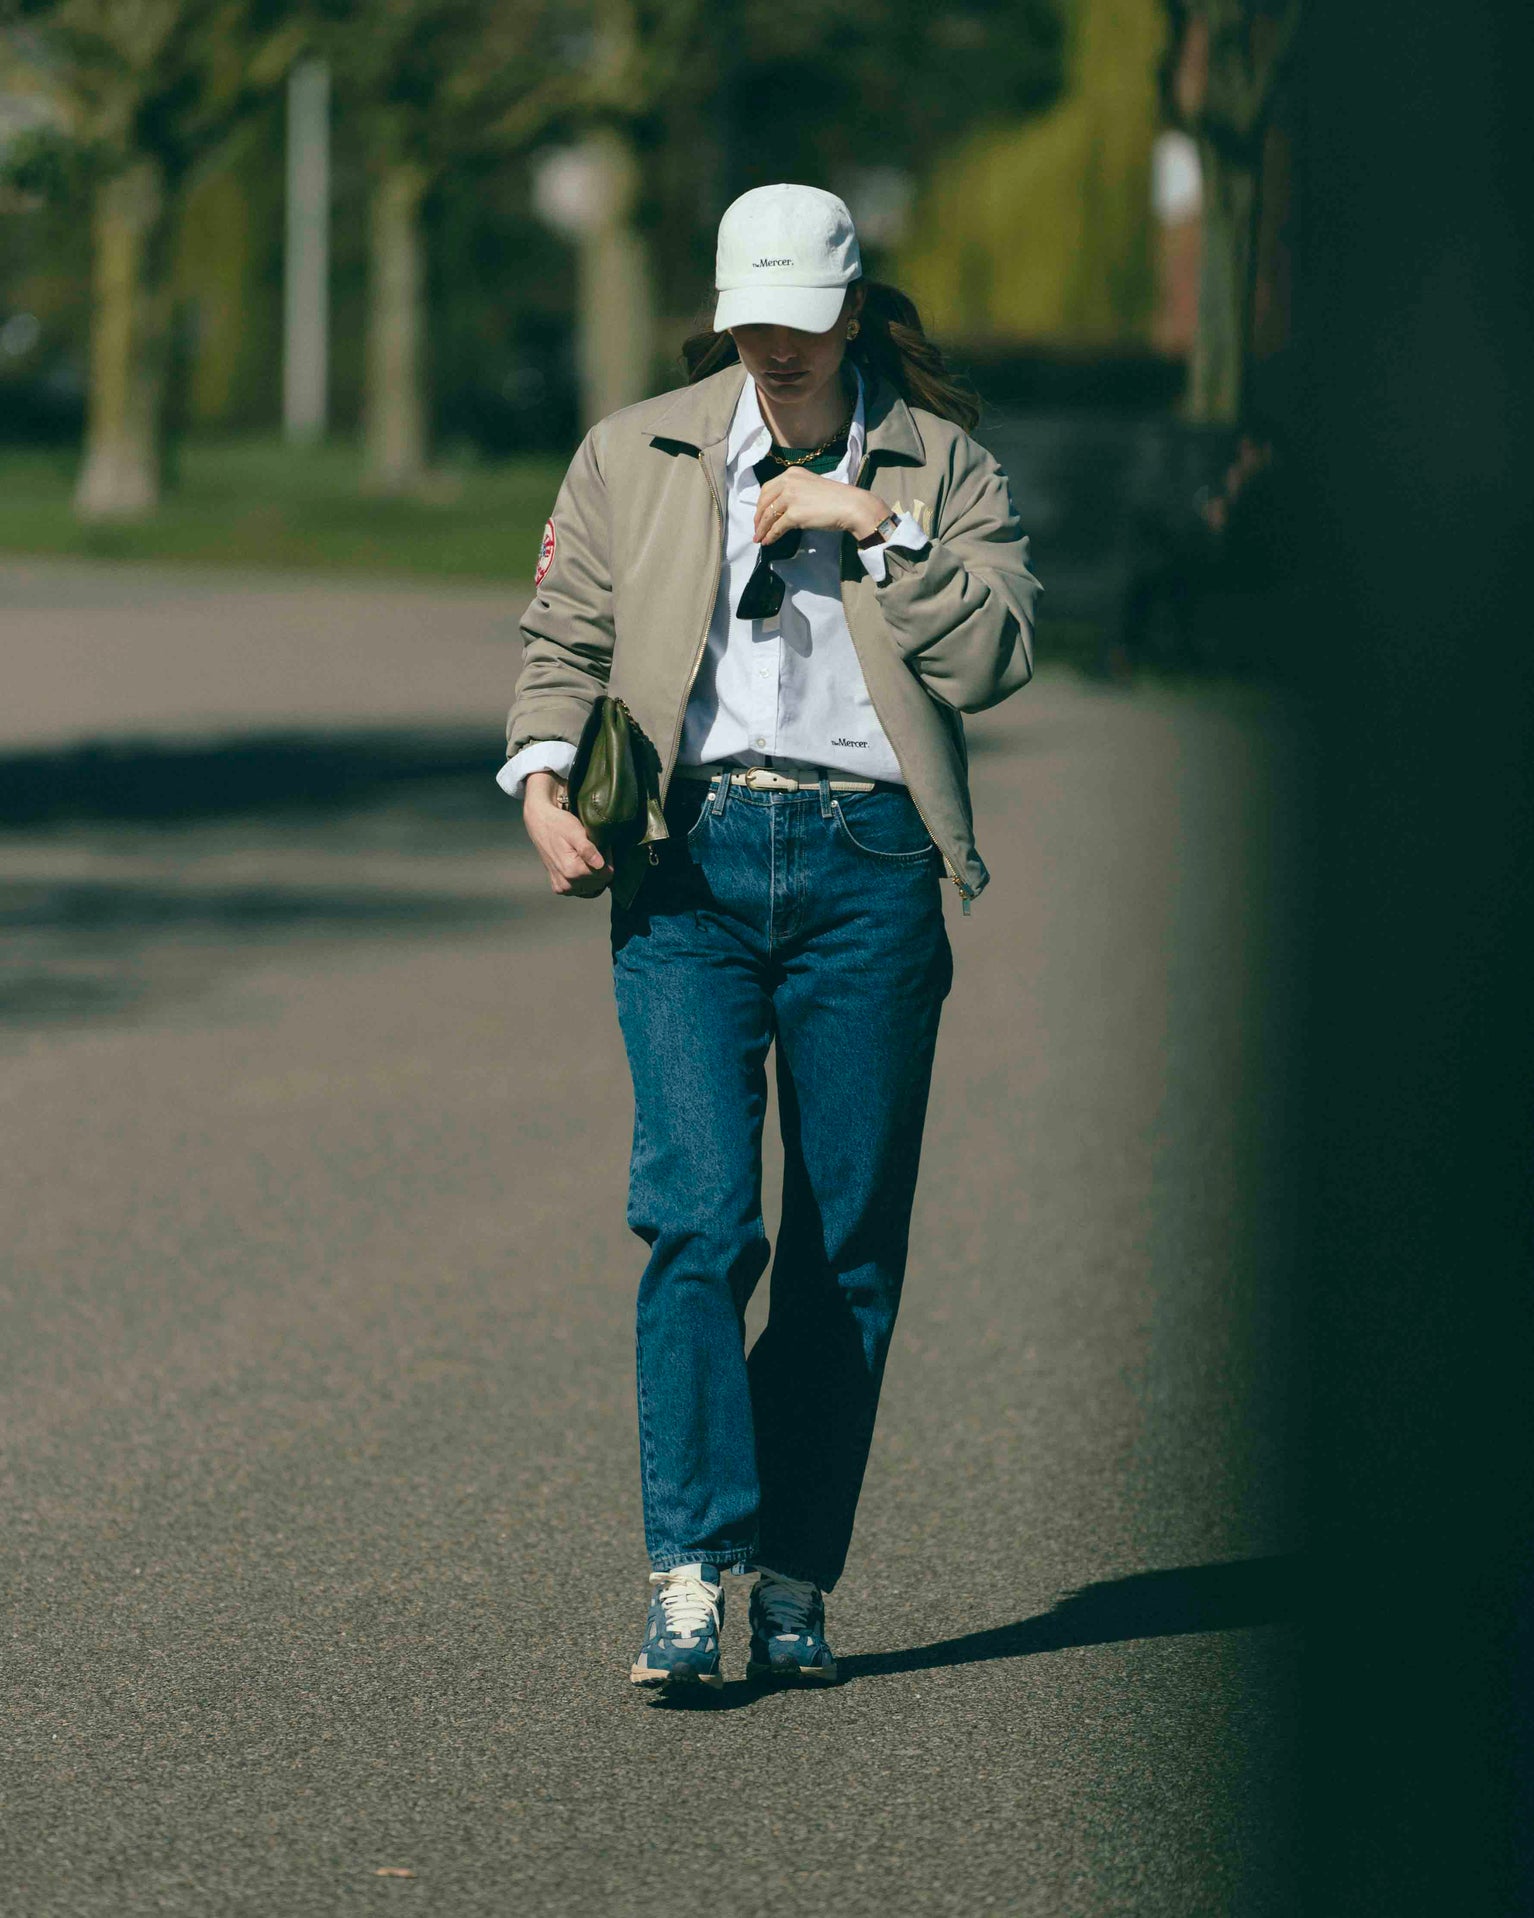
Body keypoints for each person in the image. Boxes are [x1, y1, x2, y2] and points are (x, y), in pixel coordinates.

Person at [498, 182, 1040, 1696]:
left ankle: (793, 1573)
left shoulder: (945, 465)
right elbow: (566, 638)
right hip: (692, 862)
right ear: (725, 312)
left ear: (853, 313)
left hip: (871, 871)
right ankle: (689, 1568)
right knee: (694, 1216)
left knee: (844, 1246)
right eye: (753, 325)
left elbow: (995, 649)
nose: (777, 352)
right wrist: (541, 775)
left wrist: (881, 527)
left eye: (803, 326)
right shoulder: (638, 449)